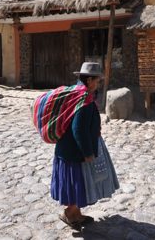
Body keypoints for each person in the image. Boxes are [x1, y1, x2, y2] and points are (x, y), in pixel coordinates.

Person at [41, 62, 118, 230]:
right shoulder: (84, 100)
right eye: (97, 81)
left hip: (66, 149)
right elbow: (78, 129)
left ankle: (76, 215)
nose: (98, 84)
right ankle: (69, 213)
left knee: (76, 184)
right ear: (89, 80)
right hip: (74, 152)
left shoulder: (76, 93)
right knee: (77, 184)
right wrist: (88, 152)